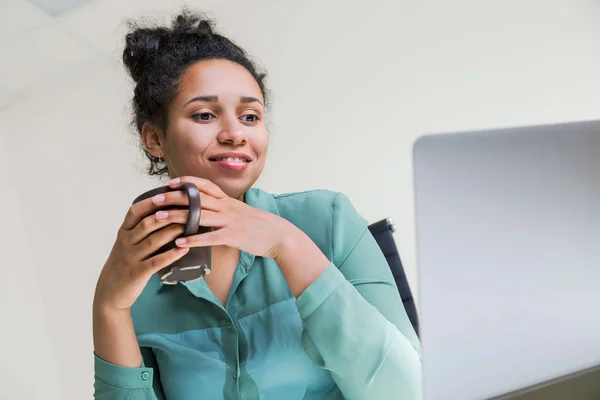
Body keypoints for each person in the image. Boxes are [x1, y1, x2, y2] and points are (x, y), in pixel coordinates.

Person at [92, 9, 422, 400]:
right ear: (154, 139)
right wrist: (109, 307)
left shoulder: (326, 220)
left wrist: (286, 244)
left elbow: (409, 391)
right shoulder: (136, 284)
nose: (234, 133)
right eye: (204, 115)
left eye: (250, 116)